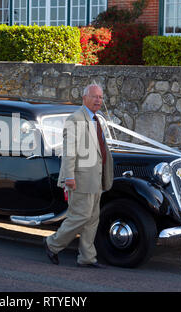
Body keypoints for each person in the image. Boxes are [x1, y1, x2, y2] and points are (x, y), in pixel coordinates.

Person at [44, 83, 114, 268]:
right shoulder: (75, 119)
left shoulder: (97, 119)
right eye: (94, 96)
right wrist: (69, 177)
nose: (98, 100)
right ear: (84, 98)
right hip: (80, 179)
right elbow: (69, 151)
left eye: (100, 97)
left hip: (96, 179)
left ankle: (87, 258)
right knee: (79, 216)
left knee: (92, 219)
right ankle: (52, 244)